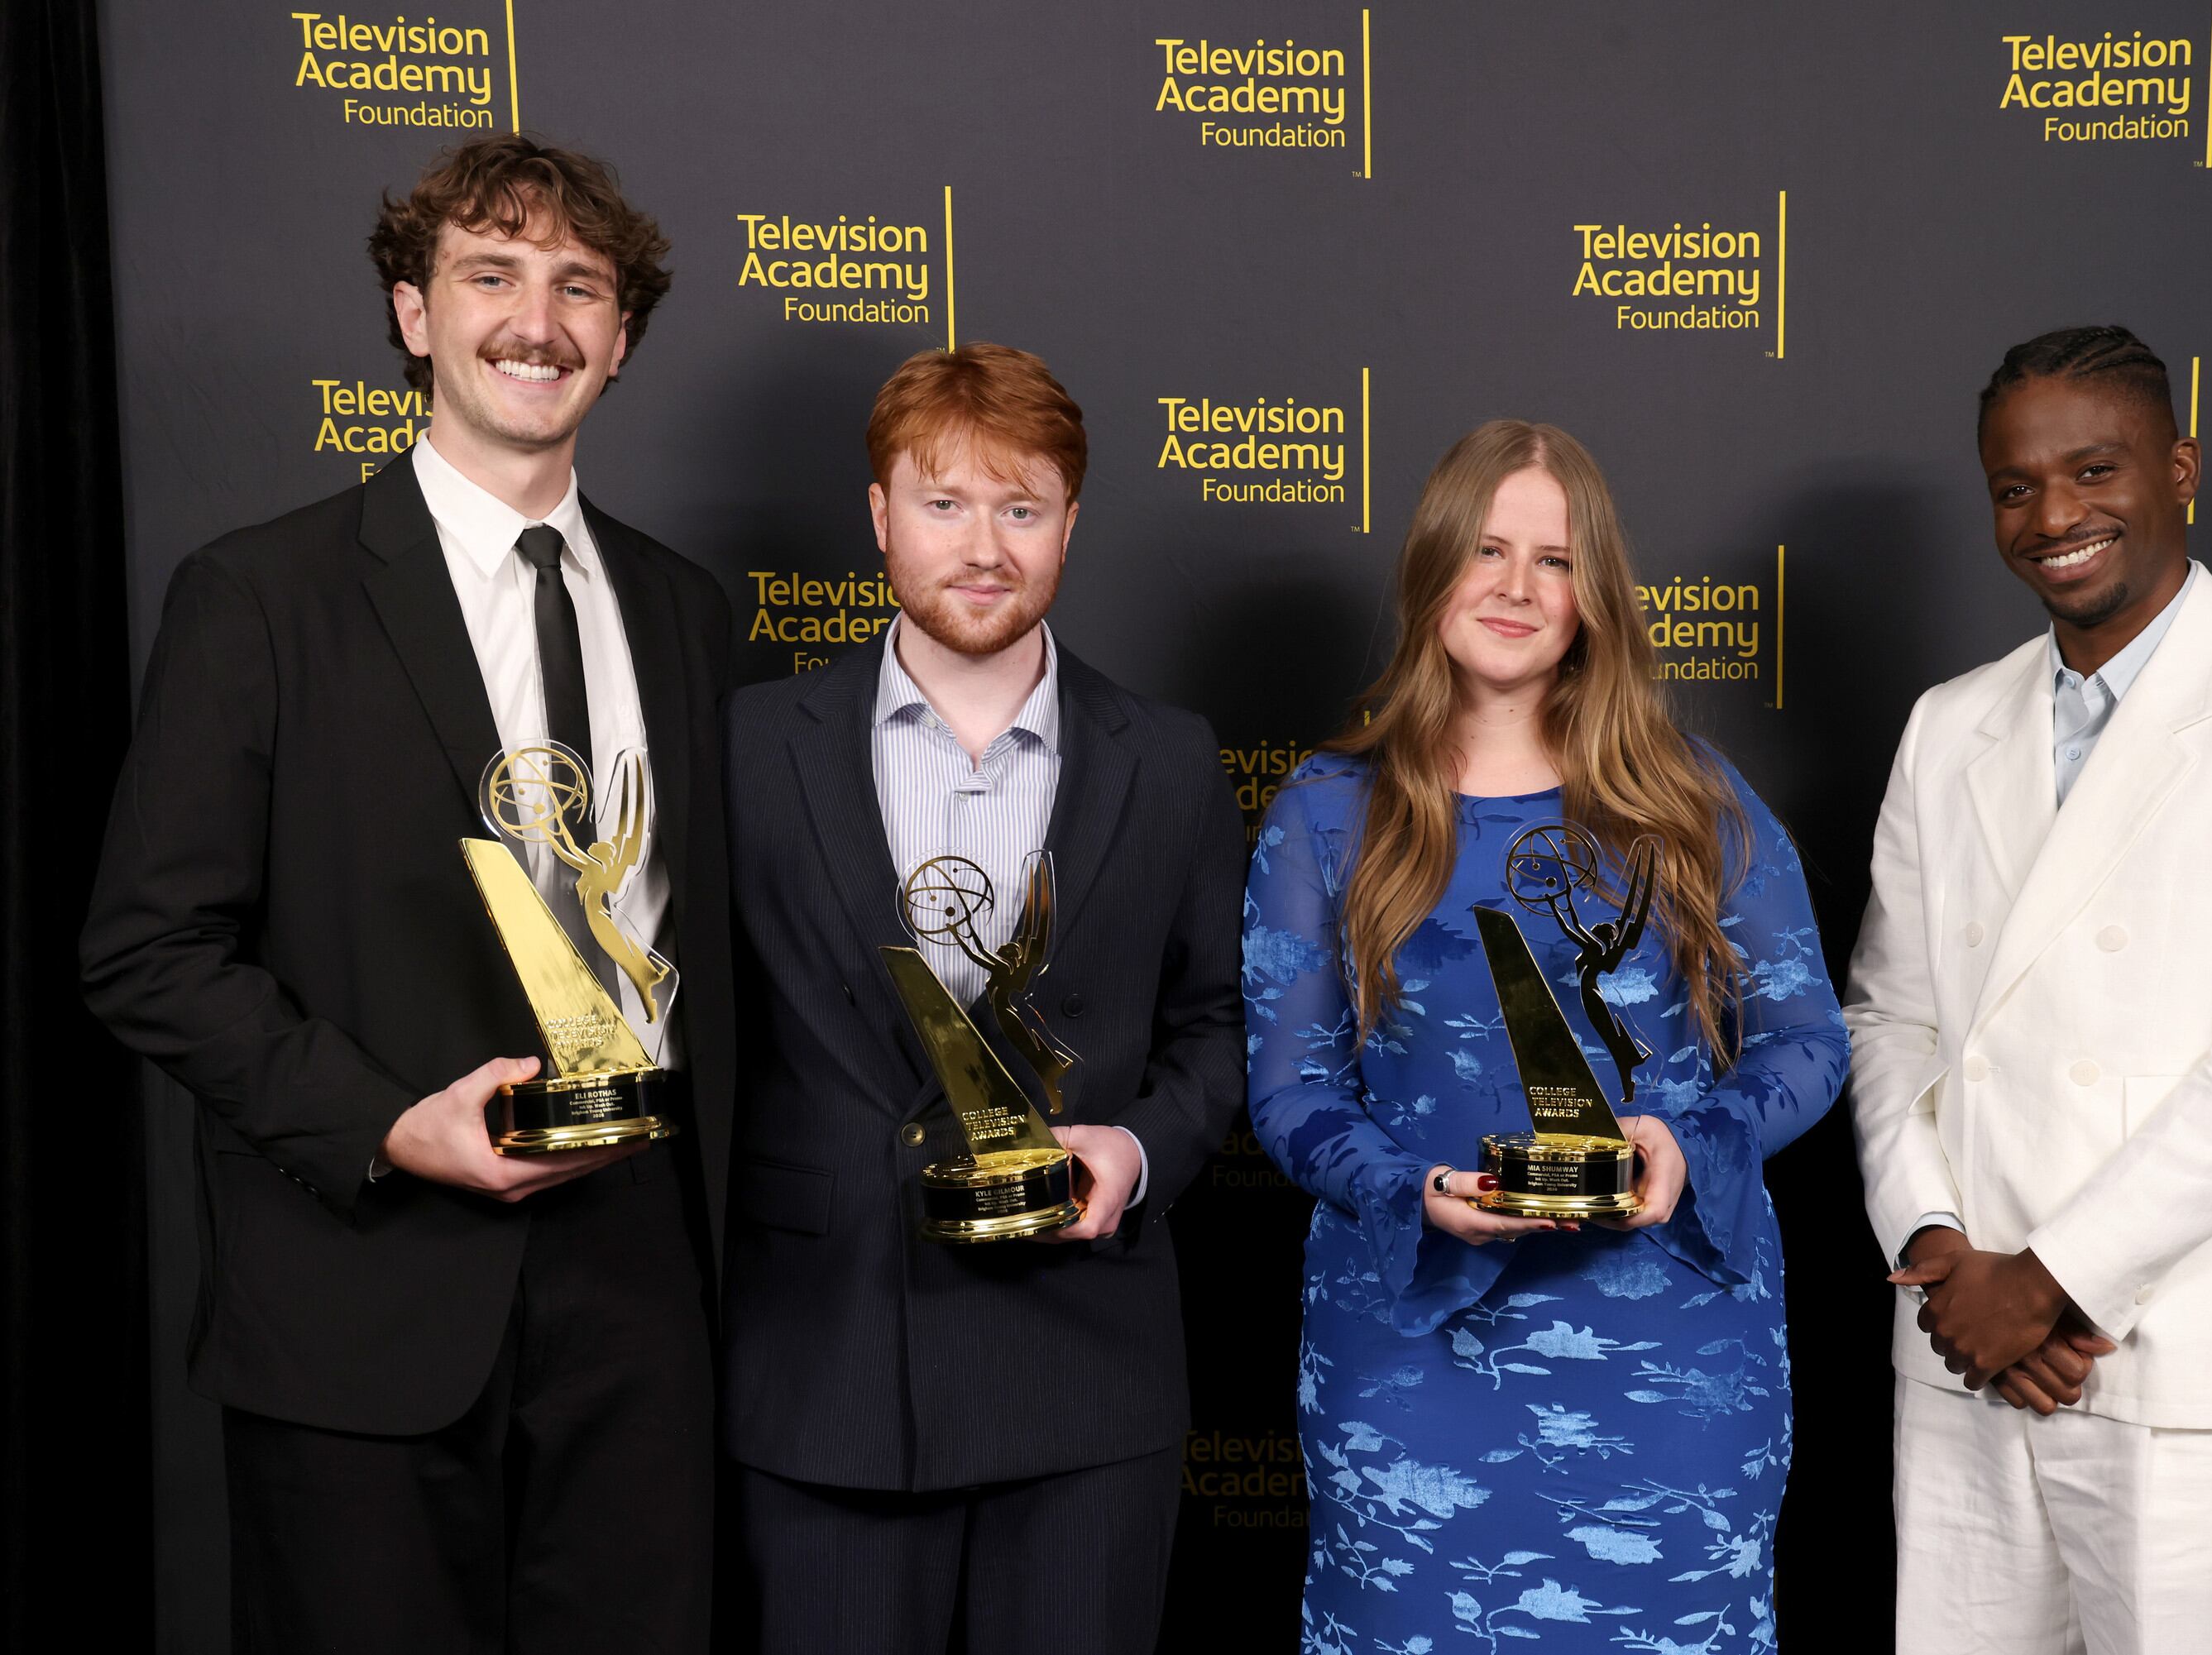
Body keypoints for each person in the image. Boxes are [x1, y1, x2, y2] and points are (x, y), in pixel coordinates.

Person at [79, 133, 734, 1648]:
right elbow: (146, 949)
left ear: (621, 339)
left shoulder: (687, 613)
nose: (537, 320)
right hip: (361, 1307)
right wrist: (386, 1122)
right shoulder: (260, 596)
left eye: (581, 287)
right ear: (411, 313)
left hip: (640, 1318)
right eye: (489, 274)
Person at [1846, 326, 2212, 1653]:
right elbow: (1890, 1018)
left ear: (2180, 468)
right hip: (1964, 1353)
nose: (2054, 517)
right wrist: (1940, 1256)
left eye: (2093, 470)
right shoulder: (1948, 721)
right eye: (2014, 486)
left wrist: (2051, 1280)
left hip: (2178, 1357)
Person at [1243, 420, 1849, 1653]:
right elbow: (1292, 1092)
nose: (1518, 588)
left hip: (1674, 1368)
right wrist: (1411, 1189)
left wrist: (1691, 1142)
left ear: (1595, 595)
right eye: (1486, 548)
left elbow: (1806, 1039)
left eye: (1556, 560)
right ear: (1430, 567)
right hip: (1413, 1371)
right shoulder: (1324, 811)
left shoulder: (1694, 797)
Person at [721, 342, 1243, 1653]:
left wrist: (1134, 1148)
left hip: (1085, 1376)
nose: (985, 545)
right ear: (880, 515)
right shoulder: (742, 747)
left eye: (1023, 507)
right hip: (823, 1364)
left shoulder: (1170, 759)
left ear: (1071, 522)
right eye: (944, 502)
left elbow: (1222, 1025)